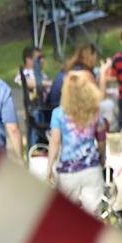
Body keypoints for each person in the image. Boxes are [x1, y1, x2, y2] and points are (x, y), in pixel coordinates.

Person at [46, 71, 104, 214]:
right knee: (94, 215)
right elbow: (102, 138)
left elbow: (55, 141)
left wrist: (49, 166)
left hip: (68, 171)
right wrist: (102, 158)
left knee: (67, 215)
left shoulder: (58, 113)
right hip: (91, 167)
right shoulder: (94, 111)